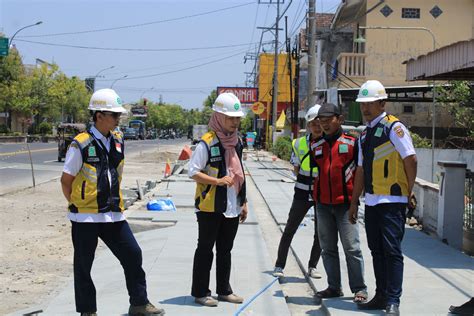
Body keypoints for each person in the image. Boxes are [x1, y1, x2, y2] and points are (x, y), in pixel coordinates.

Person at [60, 89, 164, 316]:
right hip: (85, 217)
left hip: (113, 214)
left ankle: (139, 303)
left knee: (133, 254)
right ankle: (88, 311)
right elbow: (66, 181)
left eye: (119, 115)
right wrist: (78, 203)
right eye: (114, 115)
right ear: (99, 116)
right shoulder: (81, 144)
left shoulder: (118, 141)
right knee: (83, 266)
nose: (118, 119)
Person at [349, 80, 417, 316]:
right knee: (376, 250)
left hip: (393, 200)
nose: (365, 109)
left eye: (370, 103)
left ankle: (393, 301)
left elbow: (410, 159)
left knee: (392, 250)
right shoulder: (364, 134)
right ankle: (380, 295)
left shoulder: (394, 128)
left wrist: (410, 191)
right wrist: (354, 200)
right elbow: (360, 170)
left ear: (382, 103)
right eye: (362, 104)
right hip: (373, 201)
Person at [188, 92, 248, 307]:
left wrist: (244, 202)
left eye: (237, 118)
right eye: (230, 118)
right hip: (210, 207)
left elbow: (240, 173)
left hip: (232, 206)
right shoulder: (207, 143)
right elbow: (192, 171)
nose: (235, 122)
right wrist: (217, 181)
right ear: (218, 117)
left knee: (225, 250)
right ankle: (201, 292)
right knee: (205, 249)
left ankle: (224, 290)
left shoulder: (237, 142)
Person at [311, 103, 368, 304]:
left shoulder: (353, 143)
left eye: (328, 120)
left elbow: (361, 172)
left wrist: (355, 202)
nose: (324, 124)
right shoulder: (316, 145)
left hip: (346, 206)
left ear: (340, 119)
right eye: (321, 121)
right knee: (327, 248)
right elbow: (314, 174)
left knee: (352, 248)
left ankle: (359, 288)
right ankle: (334, 287)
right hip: (323, 206)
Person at [273, 104, 323, 279]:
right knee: (290, 229)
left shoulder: (329, 143)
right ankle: (279, 265)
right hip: (302, 192)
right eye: (313, 122)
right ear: (308, 125)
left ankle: (313, 266)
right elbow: (295, 168)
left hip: (322, 193)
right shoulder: (299, 143)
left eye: (319, 122)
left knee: (320, 232)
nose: (317, 125)